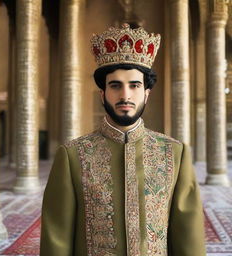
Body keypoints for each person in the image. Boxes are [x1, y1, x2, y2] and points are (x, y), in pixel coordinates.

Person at [40, 23, 206, 256]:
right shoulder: (72, 155)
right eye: (115, 85)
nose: (125, 95)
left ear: (146, 94)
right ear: (103, 93)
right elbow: (56, 238)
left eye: (135, 85)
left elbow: (188, 237)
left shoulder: (174, 153)